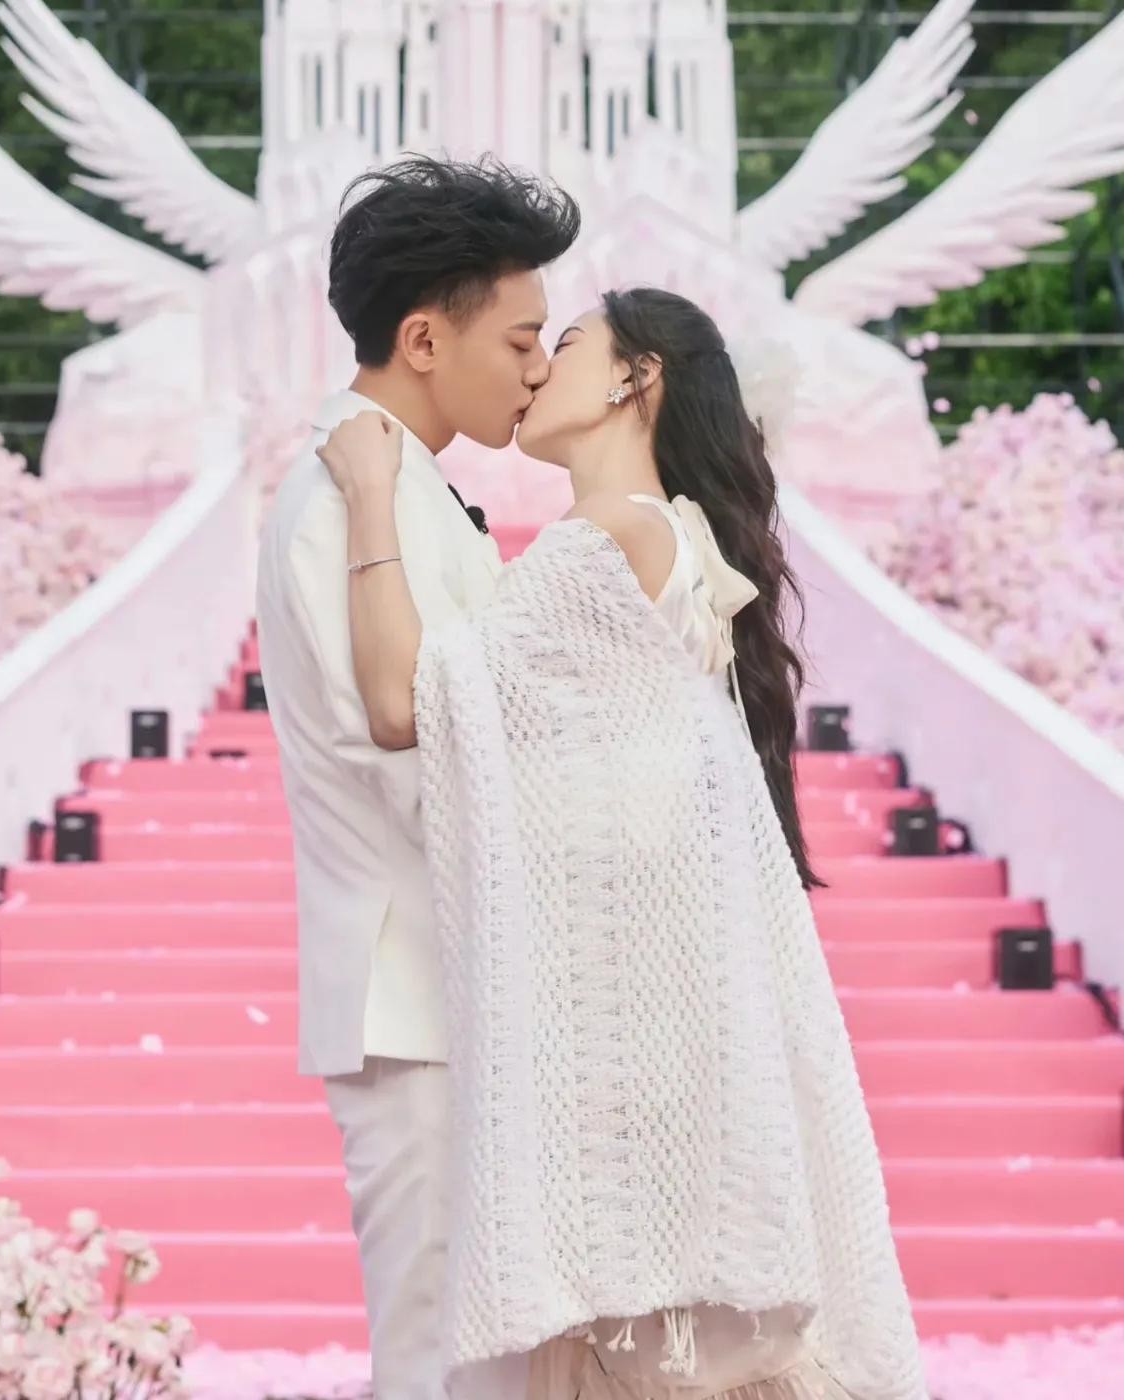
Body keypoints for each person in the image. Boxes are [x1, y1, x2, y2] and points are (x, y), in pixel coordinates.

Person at [317, 286, 928, 1400]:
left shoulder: (603, 541)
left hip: (631, 1044)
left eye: (562, 344)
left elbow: (408, 701)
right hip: (672, 1020)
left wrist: (367, 498)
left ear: (633, 378)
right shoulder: (669, 537)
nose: (536, 368)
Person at [255, 155, 580, 1400]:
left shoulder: (403, 488)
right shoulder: (342, 503)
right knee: (443, 1353)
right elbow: (408, 750)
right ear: (425, 338)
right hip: (413, 998)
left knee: (482, 1353)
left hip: (453, 986)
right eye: (522, 339)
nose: (537, 369)